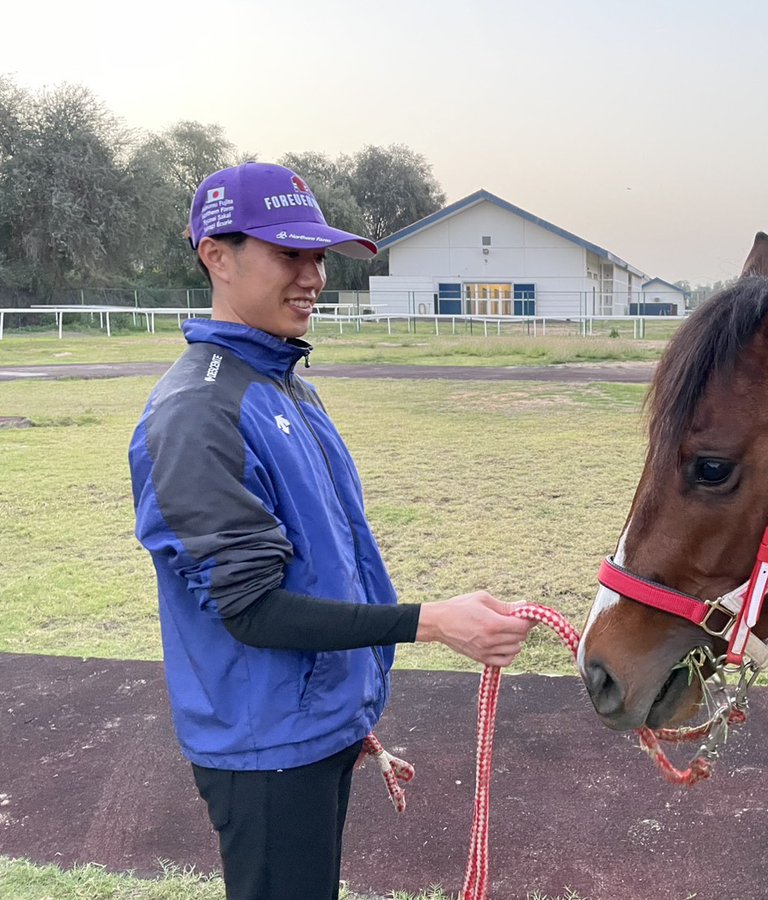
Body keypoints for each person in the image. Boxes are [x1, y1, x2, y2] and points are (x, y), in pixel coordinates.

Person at [128, 161, 534, 900]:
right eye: (290, 254)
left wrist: (349, 699)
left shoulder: (286, 385)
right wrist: (433, 624)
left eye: (318, 256)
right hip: (266, 747)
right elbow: (252, 608)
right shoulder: (197, 413)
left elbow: (327, 562)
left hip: (313, 724)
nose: (314, 276)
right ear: (217, 255)